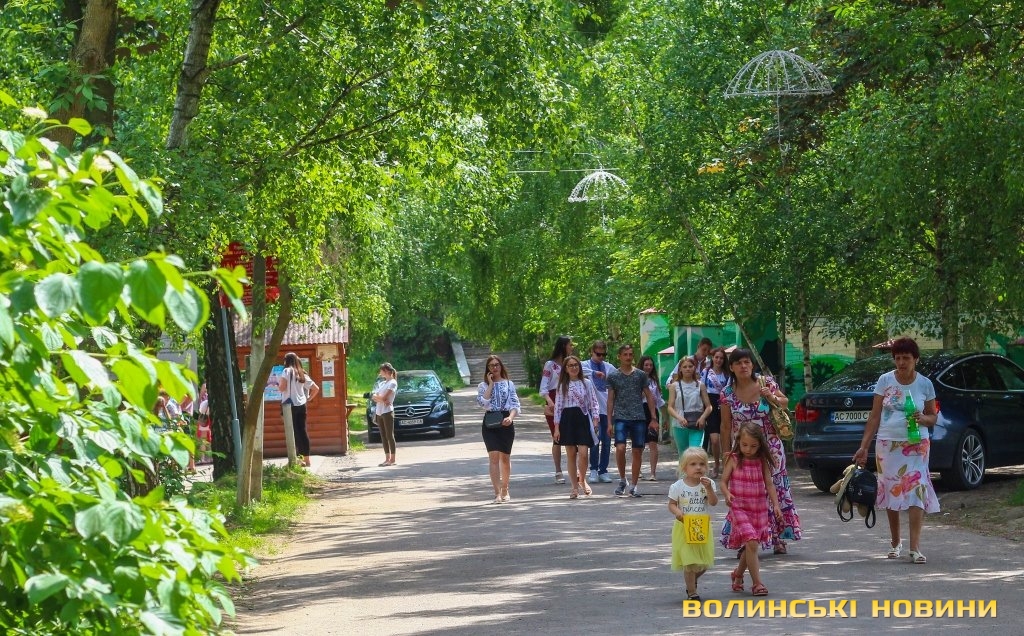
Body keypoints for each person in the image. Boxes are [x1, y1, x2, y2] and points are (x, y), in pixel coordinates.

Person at [852, 336, 939, 564]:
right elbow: (874, 416)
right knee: (892, 489)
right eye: (898, 358)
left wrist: (923, 418)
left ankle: (915, 548)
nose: (901, 362)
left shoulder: (925, 384)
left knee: (917, 489)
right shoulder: (885, 381)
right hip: (888, 443)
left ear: (916, 359)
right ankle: (895, 542)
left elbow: (933, 417)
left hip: (917, 444)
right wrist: (864, 447)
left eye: (906, 358)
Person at [719, 348, 801, 555]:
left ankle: (778, 538)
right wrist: (727, 453)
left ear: (752, 365)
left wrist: (771, 396)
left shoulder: (766, 383)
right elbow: (726, 426)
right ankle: (746, 539)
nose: (743, 366)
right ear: (731, 367)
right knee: (745, 493)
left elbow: (785, 402)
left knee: (775, 490)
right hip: (744, 451)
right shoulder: (727, 393)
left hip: (771, 449)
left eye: (747, 362)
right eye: (738, 363)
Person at [721, 423, 782, 597]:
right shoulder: (733, 459)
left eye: (753, 446)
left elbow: (769, 484)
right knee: (752, 542)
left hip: (759, 508)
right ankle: (757, 584)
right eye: (745, 445)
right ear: (738, 441)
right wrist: (727, 494)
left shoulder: (761, 460)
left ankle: (738, 575)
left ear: (760, 444)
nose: (748, 449)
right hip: (739, 508)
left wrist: (776, 505)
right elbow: (723, 482)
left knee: (751, 545)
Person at [607, 343, 658, 498]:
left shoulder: (640, 375)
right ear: (619, 357)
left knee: (637, 451)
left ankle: (634, 486)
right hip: (621, 417)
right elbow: (610, 399)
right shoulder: (613, 376)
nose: (628, 357)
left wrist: (653, 417)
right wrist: (609, 422)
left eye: (630, 354)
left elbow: (649, 395)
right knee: (620, 448)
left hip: (638, 417)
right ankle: (623, 479)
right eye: (625, 354)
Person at [668, 446, 719, 601]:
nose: (698, 467)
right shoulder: (677, 486)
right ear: (684, 467)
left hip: (702, 527)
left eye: (702, 464)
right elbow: (671, 504)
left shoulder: (708, 484)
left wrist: (709, 489)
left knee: (704, 563)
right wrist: (678, 513)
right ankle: (692, 592)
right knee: (689, 562)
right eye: (693, 464)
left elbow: (713, 502)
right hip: (684, 527)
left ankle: (691, 579)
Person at [554, 355, 600, 499]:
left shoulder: (587, 383)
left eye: (576, 365)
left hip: (582, 418)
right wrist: (557, 427)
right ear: (566, 369)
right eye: (570, 365)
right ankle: (574, 487)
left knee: (584, 453)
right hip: (567, 419)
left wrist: (596, 419)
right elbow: (558, 407)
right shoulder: (562, 385)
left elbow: (594, 402)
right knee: (571, 454)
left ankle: (582, 479)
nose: (574, 368)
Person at [477, 355, 521, 503]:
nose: (495, 368)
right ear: (488, 369)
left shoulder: (509, 384)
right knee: (493, 457)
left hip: (506, 420)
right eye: (491, 365)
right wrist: (490, 384)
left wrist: (511, 417)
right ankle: (497, 493)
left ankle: (505, 488)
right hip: (490, 422)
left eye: (497, 365)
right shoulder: (482, 386)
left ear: (501, 366)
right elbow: (483, 403)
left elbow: (515, 404)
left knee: (505, 457)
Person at [540, 336, 574, 484]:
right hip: (554, 399)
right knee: (557, 437)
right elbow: (544, 387)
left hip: (569, 401)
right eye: (570, 345)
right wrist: (549, 401)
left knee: (571, 437)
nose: (572, 347)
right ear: (563, 346)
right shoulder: (550, 365)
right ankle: (558, 471)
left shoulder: (570, 364)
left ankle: (573, 469)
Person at [667, 356, 713, 462]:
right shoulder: (674, 386)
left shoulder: (700, 385)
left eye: (690, 366)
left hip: (697, 423)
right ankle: (683, 473)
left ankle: (696, 472)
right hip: (680, 424)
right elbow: (670, 407)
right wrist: (679, 417)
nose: (688, 369)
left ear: (694, 368)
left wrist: (703, 418)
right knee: (683, 455)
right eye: (685, 367)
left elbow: (709, 406)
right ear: (680, 369)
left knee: (695, 452)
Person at [582, 340, 615, 483]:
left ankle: (603, 470)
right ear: (592, 352)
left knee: (607, 442)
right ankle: (593, 469)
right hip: (592, 410)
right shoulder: (585, 365)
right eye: (598, 354)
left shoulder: (609, 367)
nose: (601, 357)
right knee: (595, 440)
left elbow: (618, 378)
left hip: (607, 410)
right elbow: (577, 370)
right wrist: (594, 373)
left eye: (603, 354)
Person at [278, 352, 320, 467]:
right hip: (302, 405)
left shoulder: (286, 371)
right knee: (302, 431)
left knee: (292, 432)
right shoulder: (302, 373)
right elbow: (316, 388)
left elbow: (282, 388)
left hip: (289, 406)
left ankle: (295, 460)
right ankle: (307, 460)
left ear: (286, 361)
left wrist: (278, 385)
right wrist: (308, 399)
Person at [700, 347, 729, 477]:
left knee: (726, 438)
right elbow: (701, 390)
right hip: (710, 404)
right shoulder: (706, 372)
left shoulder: (727, 374)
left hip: (724, 404)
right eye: (716, 357)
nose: (718, 360)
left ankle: (726, 465)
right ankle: (716, 464)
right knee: (715, 440)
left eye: (721, 358)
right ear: (713, 358)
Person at [639, 355, 667, 481]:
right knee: (639, 444)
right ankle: (638, 470)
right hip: (640, 412)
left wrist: (665, 418)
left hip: (653, 413)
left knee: (653, 443)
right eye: (646, 365)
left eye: (650, 365)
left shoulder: (654, 381)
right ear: (641, 366)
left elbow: (659, 400)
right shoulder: (636, 379)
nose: (648, 367)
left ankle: (652, 473)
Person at [371, 363, 399, 467]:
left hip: (387, 412)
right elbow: (374, 396)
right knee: (383, 436)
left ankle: (392, 459)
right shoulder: (382, 383)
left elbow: (383, 397)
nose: (380, 372)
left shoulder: (393, 383)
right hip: (379, 411)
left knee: (389, 435)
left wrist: (381, 399)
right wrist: (381, 399)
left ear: (386, 371)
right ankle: (387, 458)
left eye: (381, 370)